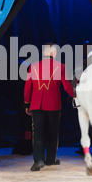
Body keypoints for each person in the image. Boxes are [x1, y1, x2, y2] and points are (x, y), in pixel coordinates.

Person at [24, 43, 75, 171]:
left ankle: (38, 161)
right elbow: (66, 86)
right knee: (53, 132)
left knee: (38, 133)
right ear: (54, 53)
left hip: (36, 104)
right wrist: (75, 95)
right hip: (53, 104)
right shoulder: (61, 67)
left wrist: (27, 103)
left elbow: (27, 87)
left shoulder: (33, 66)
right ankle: (50, 159)